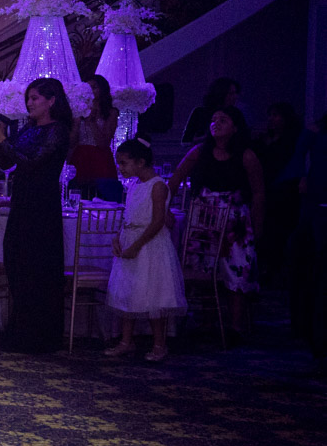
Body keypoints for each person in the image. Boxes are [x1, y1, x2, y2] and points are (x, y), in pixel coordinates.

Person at [0, 77, 72, 354]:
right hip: (22, 202)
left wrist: (2, 139)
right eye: (28, 98)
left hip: (42, 205)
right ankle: (21, 329)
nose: (29, 103)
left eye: (35, 98)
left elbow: (32, 163)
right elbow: (8, 162)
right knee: (16, 261)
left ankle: (38, 336)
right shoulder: (29, 128)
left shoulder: (58, 130)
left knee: (37, 267)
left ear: (51, 101)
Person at [168, 105, 264, 334]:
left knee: (237, 270)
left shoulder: (246, 155)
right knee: (203, 267)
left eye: (223, 120)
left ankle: (235, 325)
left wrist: (258, 226)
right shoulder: (199, 152)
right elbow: (175, 179)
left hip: (235, 222)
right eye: (213, 119)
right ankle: (208, 320)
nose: (216, 124)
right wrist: (165, 208)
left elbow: (259, 192)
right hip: (204, 218)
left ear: (235, 127)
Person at [104, 139, 184, 362]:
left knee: (153, 294)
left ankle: (159, 344)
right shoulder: (133, 185)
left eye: (124, 163)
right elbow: (128, 215)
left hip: (150, 246)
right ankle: (125, 341)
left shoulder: (158, 186)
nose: (120, 168)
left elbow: (158, 221)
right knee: (128, 292)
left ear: (140, 162)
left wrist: (137, 245)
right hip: (130, 240)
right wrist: (118, 238)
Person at [282, 115, 327, 367]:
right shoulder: (315, 130)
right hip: (316, 198)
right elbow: (298, 158)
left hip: (316, 198)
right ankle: (310, 331)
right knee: (312, 261)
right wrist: (302, 178)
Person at [255, 102, 303, 284]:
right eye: (270, 115)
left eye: (276, 115)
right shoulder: (264, 139)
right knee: (266, 228)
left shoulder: (292, 140)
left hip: (284, 191)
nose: (271, 119)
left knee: (280, 229)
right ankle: (266, 268)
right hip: (266, 188)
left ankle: (277, 269)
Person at [70, 74, 122, 202]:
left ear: (102, 89)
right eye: (88, 88)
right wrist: (76, 123)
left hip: (100, 158)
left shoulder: (110, 112)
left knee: (103, 198)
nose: (91, 91)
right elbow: (71, 142)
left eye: (94, 87)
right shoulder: (78, 110)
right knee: (79, 196)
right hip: (80, 156)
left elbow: (104, 143)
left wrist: (92, 122)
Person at [180, 77, 241, 145]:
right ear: (220, 94)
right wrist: (208, 138)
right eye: (231, 93)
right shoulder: (199, 113)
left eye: (235, 93)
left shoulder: (235, 113)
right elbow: (186, 141)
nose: (235, 97)